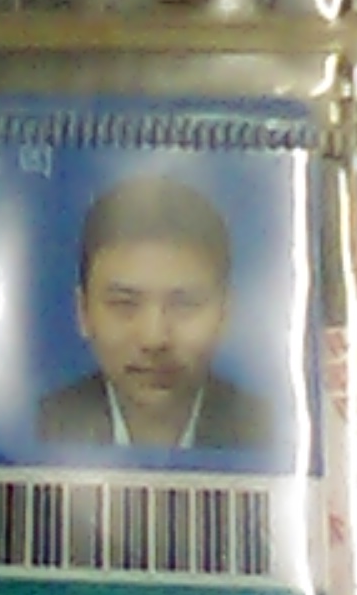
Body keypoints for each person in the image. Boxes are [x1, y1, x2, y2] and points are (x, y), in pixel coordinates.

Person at [37, 174, 270, 449]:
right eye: (124, 304)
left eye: (184, 305)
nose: (154, 338)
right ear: (83, 311)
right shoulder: (35, 431)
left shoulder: (271, 432)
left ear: (225, 313)